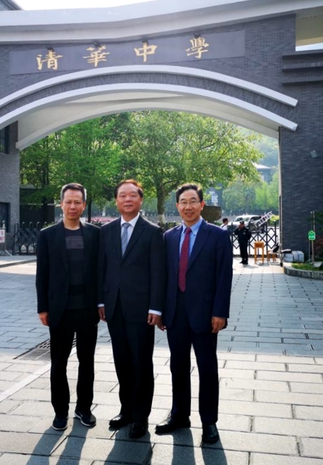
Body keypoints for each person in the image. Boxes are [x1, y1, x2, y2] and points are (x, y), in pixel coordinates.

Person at [156, 183, 233, 445]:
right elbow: (165, 277)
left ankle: (209, 422)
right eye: (183, 202)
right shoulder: (169, 237)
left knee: (207, 367)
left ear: (201, 204)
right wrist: (162, 310)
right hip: (175, 313)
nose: (187, 206)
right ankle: (179, 415)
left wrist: (220, 312)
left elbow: (224, 277)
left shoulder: (217, 236)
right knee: (177, 365)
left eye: (192, 201)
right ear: (177, 206)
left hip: (206, 314)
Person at [98, 179, 166, 439]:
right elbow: (102, 269)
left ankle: (140, 416)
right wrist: (101, 302)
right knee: (122, 361)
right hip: (114, 308)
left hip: (141, 310)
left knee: (141, 363)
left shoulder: (152, 232)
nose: (127, 199)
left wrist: (156, 308)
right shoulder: (106, 231)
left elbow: (158, 273)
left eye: (132, 195)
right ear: (116, 200)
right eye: (122, 196)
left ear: (140, 199)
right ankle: (125, 410)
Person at [36, 183, 100, 431]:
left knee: (87, 361)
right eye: (68, 201)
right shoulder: (47, 235)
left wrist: (101, 303)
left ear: (84, 205)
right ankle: (60, 411)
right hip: (59, 309)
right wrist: (43, 307)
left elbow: (100, 272)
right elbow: (42, 274)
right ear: (61, 204)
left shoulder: (95, 234)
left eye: (77, 202)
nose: (73, 206)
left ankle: (84, 408)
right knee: (58, 362)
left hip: (87, 309)